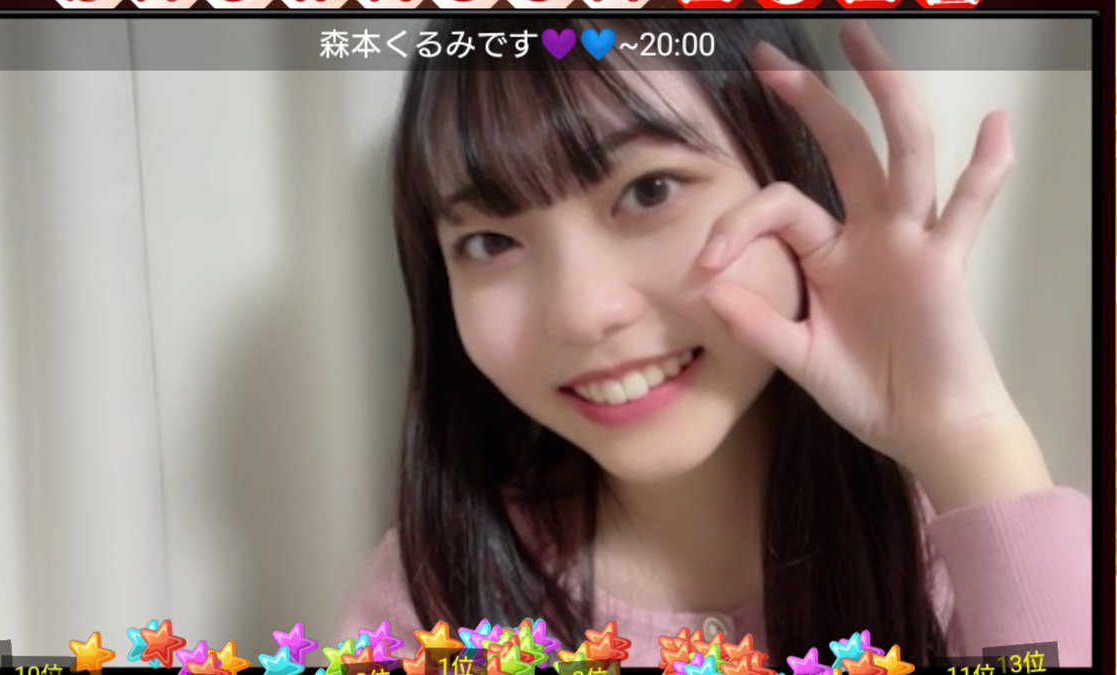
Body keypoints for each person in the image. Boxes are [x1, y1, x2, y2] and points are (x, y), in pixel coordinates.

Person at [330, 17, 1092, 667]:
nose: (581, 312)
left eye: (650, 190)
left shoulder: (952, 560)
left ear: (793, 174)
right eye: (491, 242)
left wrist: (971, 440)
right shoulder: (428, 599)